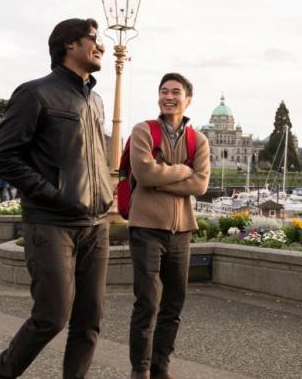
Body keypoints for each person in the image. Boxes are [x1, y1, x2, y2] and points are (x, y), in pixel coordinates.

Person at [0, 18, 113, 379]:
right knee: (52, 317)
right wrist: (53, 194)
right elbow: (3, 156)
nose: (100, 46)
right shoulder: (35, 93)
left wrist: (103, 196)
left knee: (90, 320)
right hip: (51, 222)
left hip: (95, 224)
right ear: (69, 45)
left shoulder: (97, 100)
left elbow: (93, 158)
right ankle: (2, 370)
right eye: (93, 39)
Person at [127, 73, 210, 379]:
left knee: (174, 304)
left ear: (188, 99)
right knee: (147, 302)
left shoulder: (198, 139)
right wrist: (180, 172)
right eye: (164, 91)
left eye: (176, 92)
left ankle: (161, 367)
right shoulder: (143, 131)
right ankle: (141, 369)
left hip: (182, 230)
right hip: (146, 226)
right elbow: (144, 175)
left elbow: (200, 184)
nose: (169, 96)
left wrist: (160, 180)